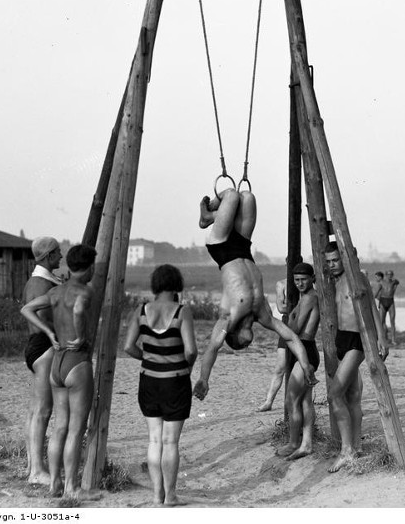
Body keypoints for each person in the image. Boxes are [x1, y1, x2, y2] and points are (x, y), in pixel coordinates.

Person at [193, 188, 315, 401]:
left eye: (243, 344)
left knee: (231, 194)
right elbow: (291, 337)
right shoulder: (263, 315)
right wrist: (306, 366)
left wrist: (204, 378)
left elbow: (212, 348)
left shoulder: (227, 320)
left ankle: (207, 216)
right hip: (243, 247)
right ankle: (215, 216)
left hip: (221, 247)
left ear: (234, 337)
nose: (248, 343)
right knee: (248, 197)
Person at [21, 244, 100, 500]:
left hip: (57, 363)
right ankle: (72, 488)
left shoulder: (55, 291)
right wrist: (80, 336)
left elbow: (26, 309)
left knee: (59, 428)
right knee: (76, 430)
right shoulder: (85, 291)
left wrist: (49, 332)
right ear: (89, 267)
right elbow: (78, 309)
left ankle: (55, 483)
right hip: (77, 361)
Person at [123, 264, 197, 507]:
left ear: (156, 284)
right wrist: (187, 367)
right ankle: (171, 496)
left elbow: (128, 347)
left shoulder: (141, 310)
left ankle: (157, 495)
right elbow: (191, 350)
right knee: (170, 442)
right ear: (176, 284)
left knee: (154, 440)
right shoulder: (181, 312)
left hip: (149, 380)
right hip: (175, 381)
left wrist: (148, 358)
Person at [324, 242, 388, 473]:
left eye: (335, 260)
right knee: (351, 395)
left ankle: (346, 451)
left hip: (356, 340)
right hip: (342, 338)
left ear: (344, 259)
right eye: (328, 261)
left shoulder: (356, 277)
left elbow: (371, 305)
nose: (331, 265)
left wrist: (382, 337)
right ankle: (357, 445)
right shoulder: (335, 279)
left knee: (334, 394)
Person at [21, 236, 63, 485]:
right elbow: (32, 312)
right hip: (43, 347)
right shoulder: (40, 283)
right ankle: (37, 470)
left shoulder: (40, 280)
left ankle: (32, 465)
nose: (61, 255)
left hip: (38, 347)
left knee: (36, 409)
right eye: (58, 252)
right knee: (43, 410)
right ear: (48, 256)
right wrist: (52, 332)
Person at [275, 262, 320, 460]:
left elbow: (295, 327)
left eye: (303, 279)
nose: (300, 283)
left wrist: (281, 323)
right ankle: (307, 443)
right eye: (296, 280)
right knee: (304, 400)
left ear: (313, 279)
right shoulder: (305, 297)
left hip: (305, 350)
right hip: (303, 349)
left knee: (291, 399)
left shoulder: (310, 297)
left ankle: (294, 442)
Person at [257, 278, 290, 412]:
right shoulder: (281, 284)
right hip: (287, 326)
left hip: (303, 328)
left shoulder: (305, 281)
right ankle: (268, 401)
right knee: (280, 368)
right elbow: (282, 308)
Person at [376, 270, 400, 345]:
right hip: (383, 301)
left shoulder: (394, 282)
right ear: (386, 275)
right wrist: (377, 300)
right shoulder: (381, 282)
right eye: (388, 274)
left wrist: (395, 283)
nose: (390, 276)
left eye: (391, 274)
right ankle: (382, 338)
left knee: (392, 321)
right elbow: (376, 293)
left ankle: (393, 340)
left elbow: (397, 282)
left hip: (390, 301)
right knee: (381, 321)